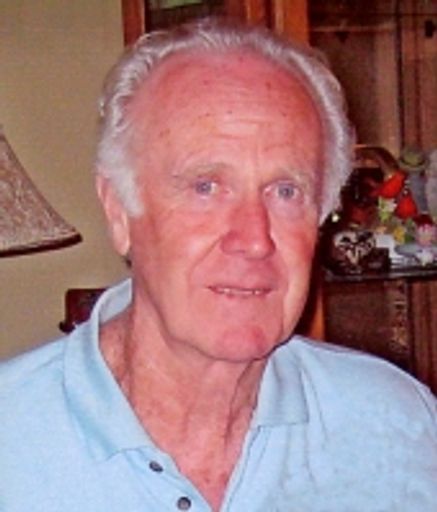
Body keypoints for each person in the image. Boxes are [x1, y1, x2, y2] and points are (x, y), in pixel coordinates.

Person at [1, 18, 436, 512]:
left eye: (286, 191)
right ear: (119, 210)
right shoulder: (11, 443)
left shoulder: (399, 427)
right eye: (205, 187)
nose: (254, 240)